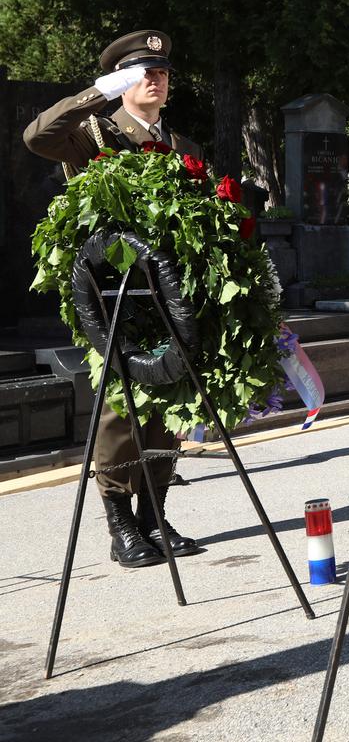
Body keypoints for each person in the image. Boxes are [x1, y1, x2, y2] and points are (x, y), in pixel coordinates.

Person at [24, 30, 205, 568]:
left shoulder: (185, 149)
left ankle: (154, 509)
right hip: (114, 294)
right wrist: (96, 93)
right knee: (121, 403)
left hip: (170, 295)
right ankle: (119, 518)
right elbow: (37, 137)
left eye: (162, 72)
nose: (154, 78)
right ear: (122, 81)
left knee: (172, 397)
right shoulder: (94, 135)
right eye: (141, 72)